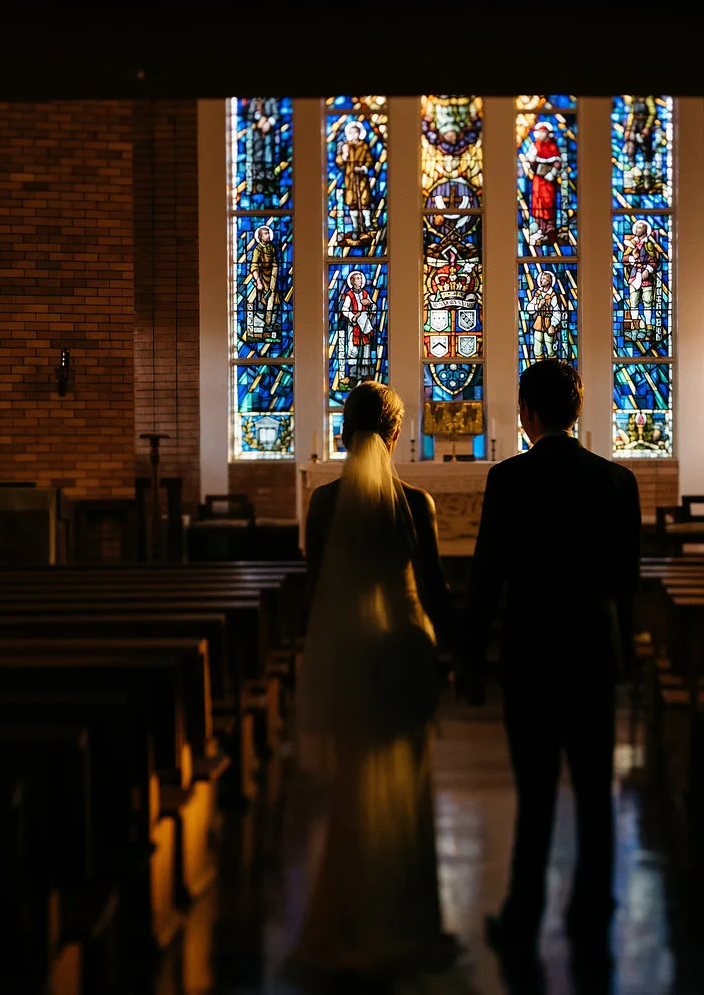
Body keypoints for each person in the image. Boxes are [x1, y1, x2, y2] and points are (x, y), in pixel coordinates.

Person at [285, 381, 463, 982]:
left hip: (349, 651)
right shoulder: (417, 503)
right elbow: (435, 589)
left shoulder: (325, 504)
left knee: (349, 790)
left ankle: (347, 919)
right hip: (403, 651)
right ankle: (407, 921)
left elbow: (317, 587)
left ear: (343, 433)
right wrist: (460, 655)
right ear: (393, 435)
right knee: (409, 787)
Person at [464, 360, 642, 960]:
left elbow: (487, 575)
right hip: (592, 648)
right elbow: (627, 581)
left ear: (527, 413)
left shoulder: (508, 479)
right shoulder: (617, 482)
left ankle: (523, 916)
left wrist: (468, 659)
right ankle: (594, 911)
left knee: (535, 792)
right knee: (595, 790)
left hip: (531, 652)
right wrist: (632, 658)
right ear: (577, 410)